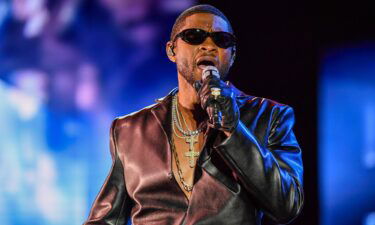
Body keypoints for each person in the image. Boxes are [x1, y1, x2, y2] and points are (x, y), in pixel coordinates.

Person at [83, 4, 304, 225]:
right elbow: (105, 220)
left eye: (221, 40)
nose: (208, 46)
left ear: (233, 55)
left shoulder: (268, 116)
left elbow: (287, 205)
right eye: (194, 36)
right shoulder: (130, 129)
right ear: (172, 50)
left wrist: (233, 128)